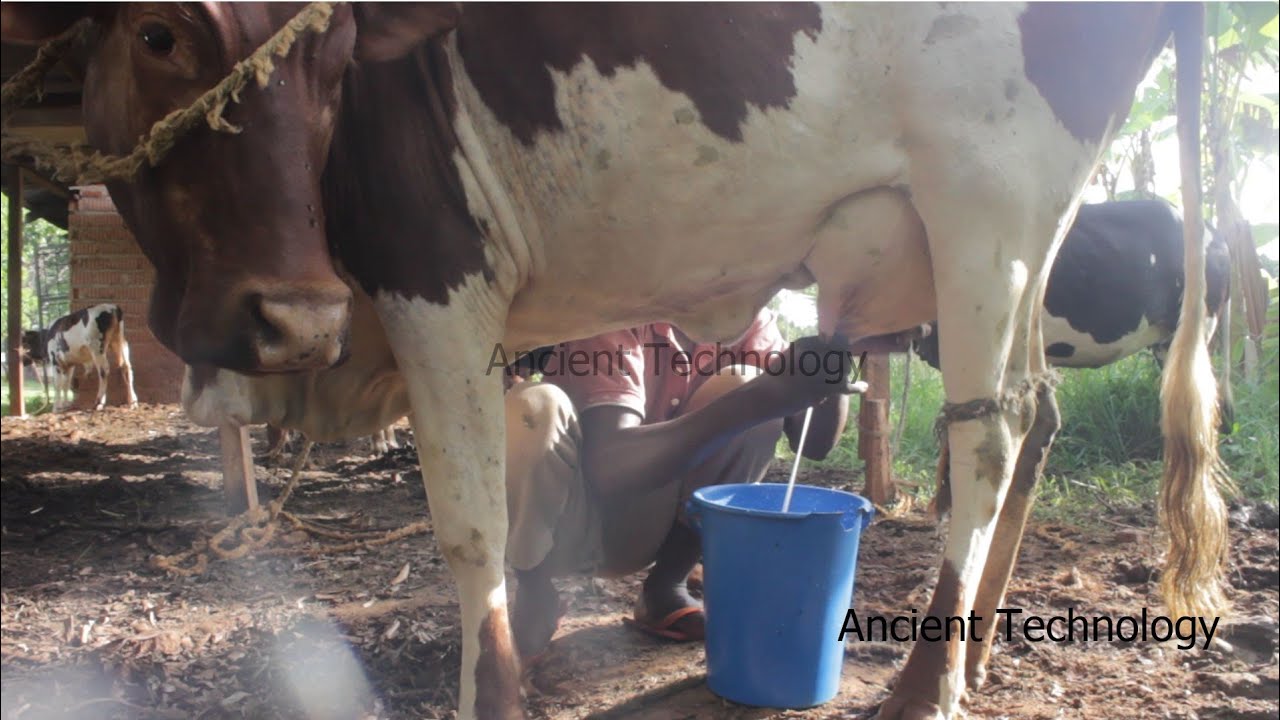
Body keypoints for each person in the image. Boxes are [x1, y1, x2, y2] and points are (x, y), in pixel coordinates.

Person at [502, 308, 867, 659]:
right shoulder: (616, 307)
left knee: (744, 381)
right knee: (533, 406)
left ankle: (665, 587)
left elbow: (816, 443)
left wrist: (834, 354)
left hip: (646, 528)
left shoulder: (746, 317)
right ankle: (535, 588)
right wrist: (761, 397)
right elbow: (608, 468)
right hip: (571, 524)